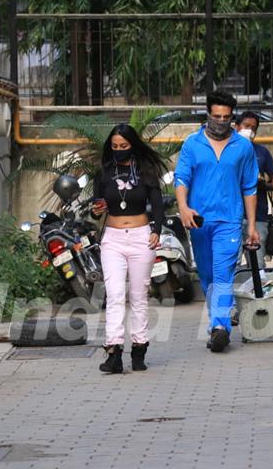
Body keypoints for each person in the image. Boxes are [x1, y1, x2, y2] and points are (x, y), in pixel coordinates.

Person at [174, 91, 260, 353]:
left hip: (230, 221)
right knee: (208, 275)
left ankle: (220, 327)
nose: (221, 121)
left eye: (226, 117)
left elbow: (250, 187)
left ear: (232, 117)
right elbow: (181, 179)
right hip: (199, 220)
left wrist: (252, 226)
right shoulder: (192, 144)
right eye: (216, 116)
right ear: (208, 114)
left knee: (223, 273)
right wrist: (184, 208)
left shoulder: (243, 147)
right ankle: (217, 321)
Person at [92, 123, 167, 374]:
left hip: (141, 238)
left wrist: (157, 230)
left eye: (123, 146)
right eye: (114, 147)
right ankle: (113, 352)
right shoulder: (103, 173)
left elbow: (157, 206)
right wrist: (96, 210)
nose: (119, 150)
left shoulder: (146, 172)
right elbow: (96, 206)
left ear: (132, 145)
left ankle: (139, 348)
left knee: (138, 296)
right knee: (114, 295)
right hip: (112, 238)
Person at [235, 110, 273, 269]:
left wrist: (262, 181)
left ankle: (257, 293)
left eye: (254, 128)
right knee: (233, 264)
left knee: (257, 265)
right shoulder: (226, 150)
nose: (250, 131)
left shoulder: (262, 152)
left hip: (258, 216)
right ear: (236, 126)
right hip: (233, 217)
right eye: (246, 126)